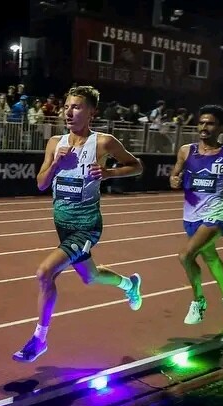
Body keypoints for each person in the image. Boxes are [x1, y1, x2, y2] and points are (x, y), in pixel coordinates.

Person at [13, 85, 144, 363]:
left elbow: (137, 166)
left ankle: (39, 339)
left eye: (76, 107)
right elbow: (41, 184)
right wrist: (56, 165)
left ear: (91, 112)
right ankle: (129, 284)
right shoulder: (55, 143)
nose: (69, 112)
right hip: (64, 227)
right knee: (90, 276)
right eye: (66, 107)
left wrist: (108, 173)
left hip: (87, 227)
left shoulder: (103, 143)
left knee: (45, 273)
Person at [169, 104, 223, 324]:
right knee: (210, 257)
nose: (204, 127)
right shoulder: (186, 150)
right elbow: (174, 174)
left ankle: (198, 302)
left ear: (221, 128)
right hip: (191, 214)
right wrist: (174, 180)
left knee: (185, 255)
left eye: (210, 123)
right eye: (201, 123)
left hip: (217, 213)